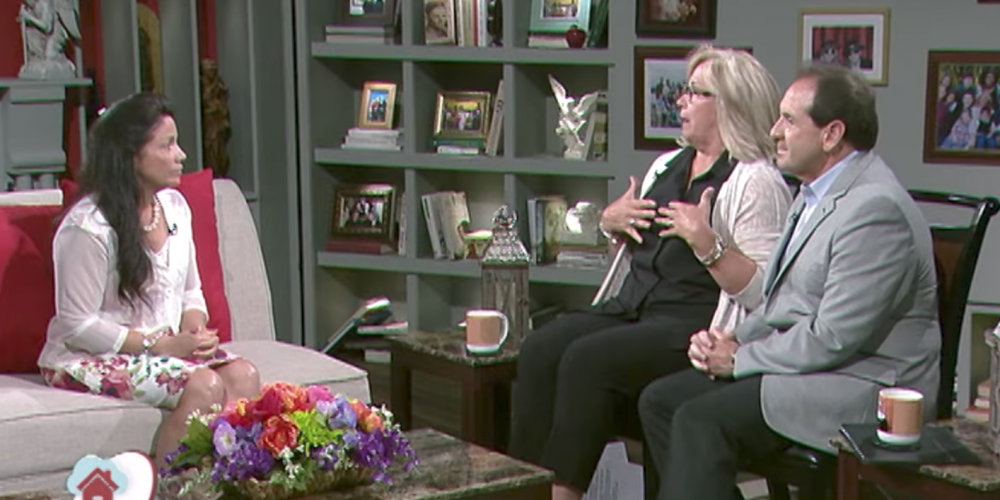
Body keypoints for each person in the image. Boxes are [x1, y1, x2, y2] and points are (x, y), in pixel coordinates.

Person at [637, 64, 941, 500]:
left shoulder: (875, 210)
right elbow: (786, 303)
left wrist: (740, 359)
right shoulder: (813, 193)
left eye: (789, 120)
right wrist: (731, 338)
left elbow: (834, 337)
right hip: (813, 369)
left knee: (699, 420)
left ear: (831, 134)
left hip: (861, 383)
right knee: (660, 401)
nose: (774, 131)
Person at [508, 45, 793, 500]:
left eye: (694, 92)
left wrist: (707, 242)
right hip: (633, 306)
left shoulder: (755, 180)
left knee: (587, 359)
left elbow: (767, 293)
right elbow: (637, 249)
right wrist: (611, 223)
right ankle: (520, 490)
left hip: (691, 321)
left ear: (729, 105)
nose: (681, 101)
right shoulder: (667, 165)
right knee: (541, 347)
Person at [37, 93, 262, 471]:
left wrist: (195, 329)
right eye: (167, 145)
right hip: (88, 357)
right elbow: (76, 324)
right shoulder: (89, 227)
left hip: (162, 349)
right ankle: (165, 488)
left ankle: (224, 483)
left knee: (244, 375)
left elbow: (191, 291)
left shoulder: (175, 208)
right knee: (205, 385)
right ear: (131, 155)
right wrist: (158, 345)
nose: (181, 155)